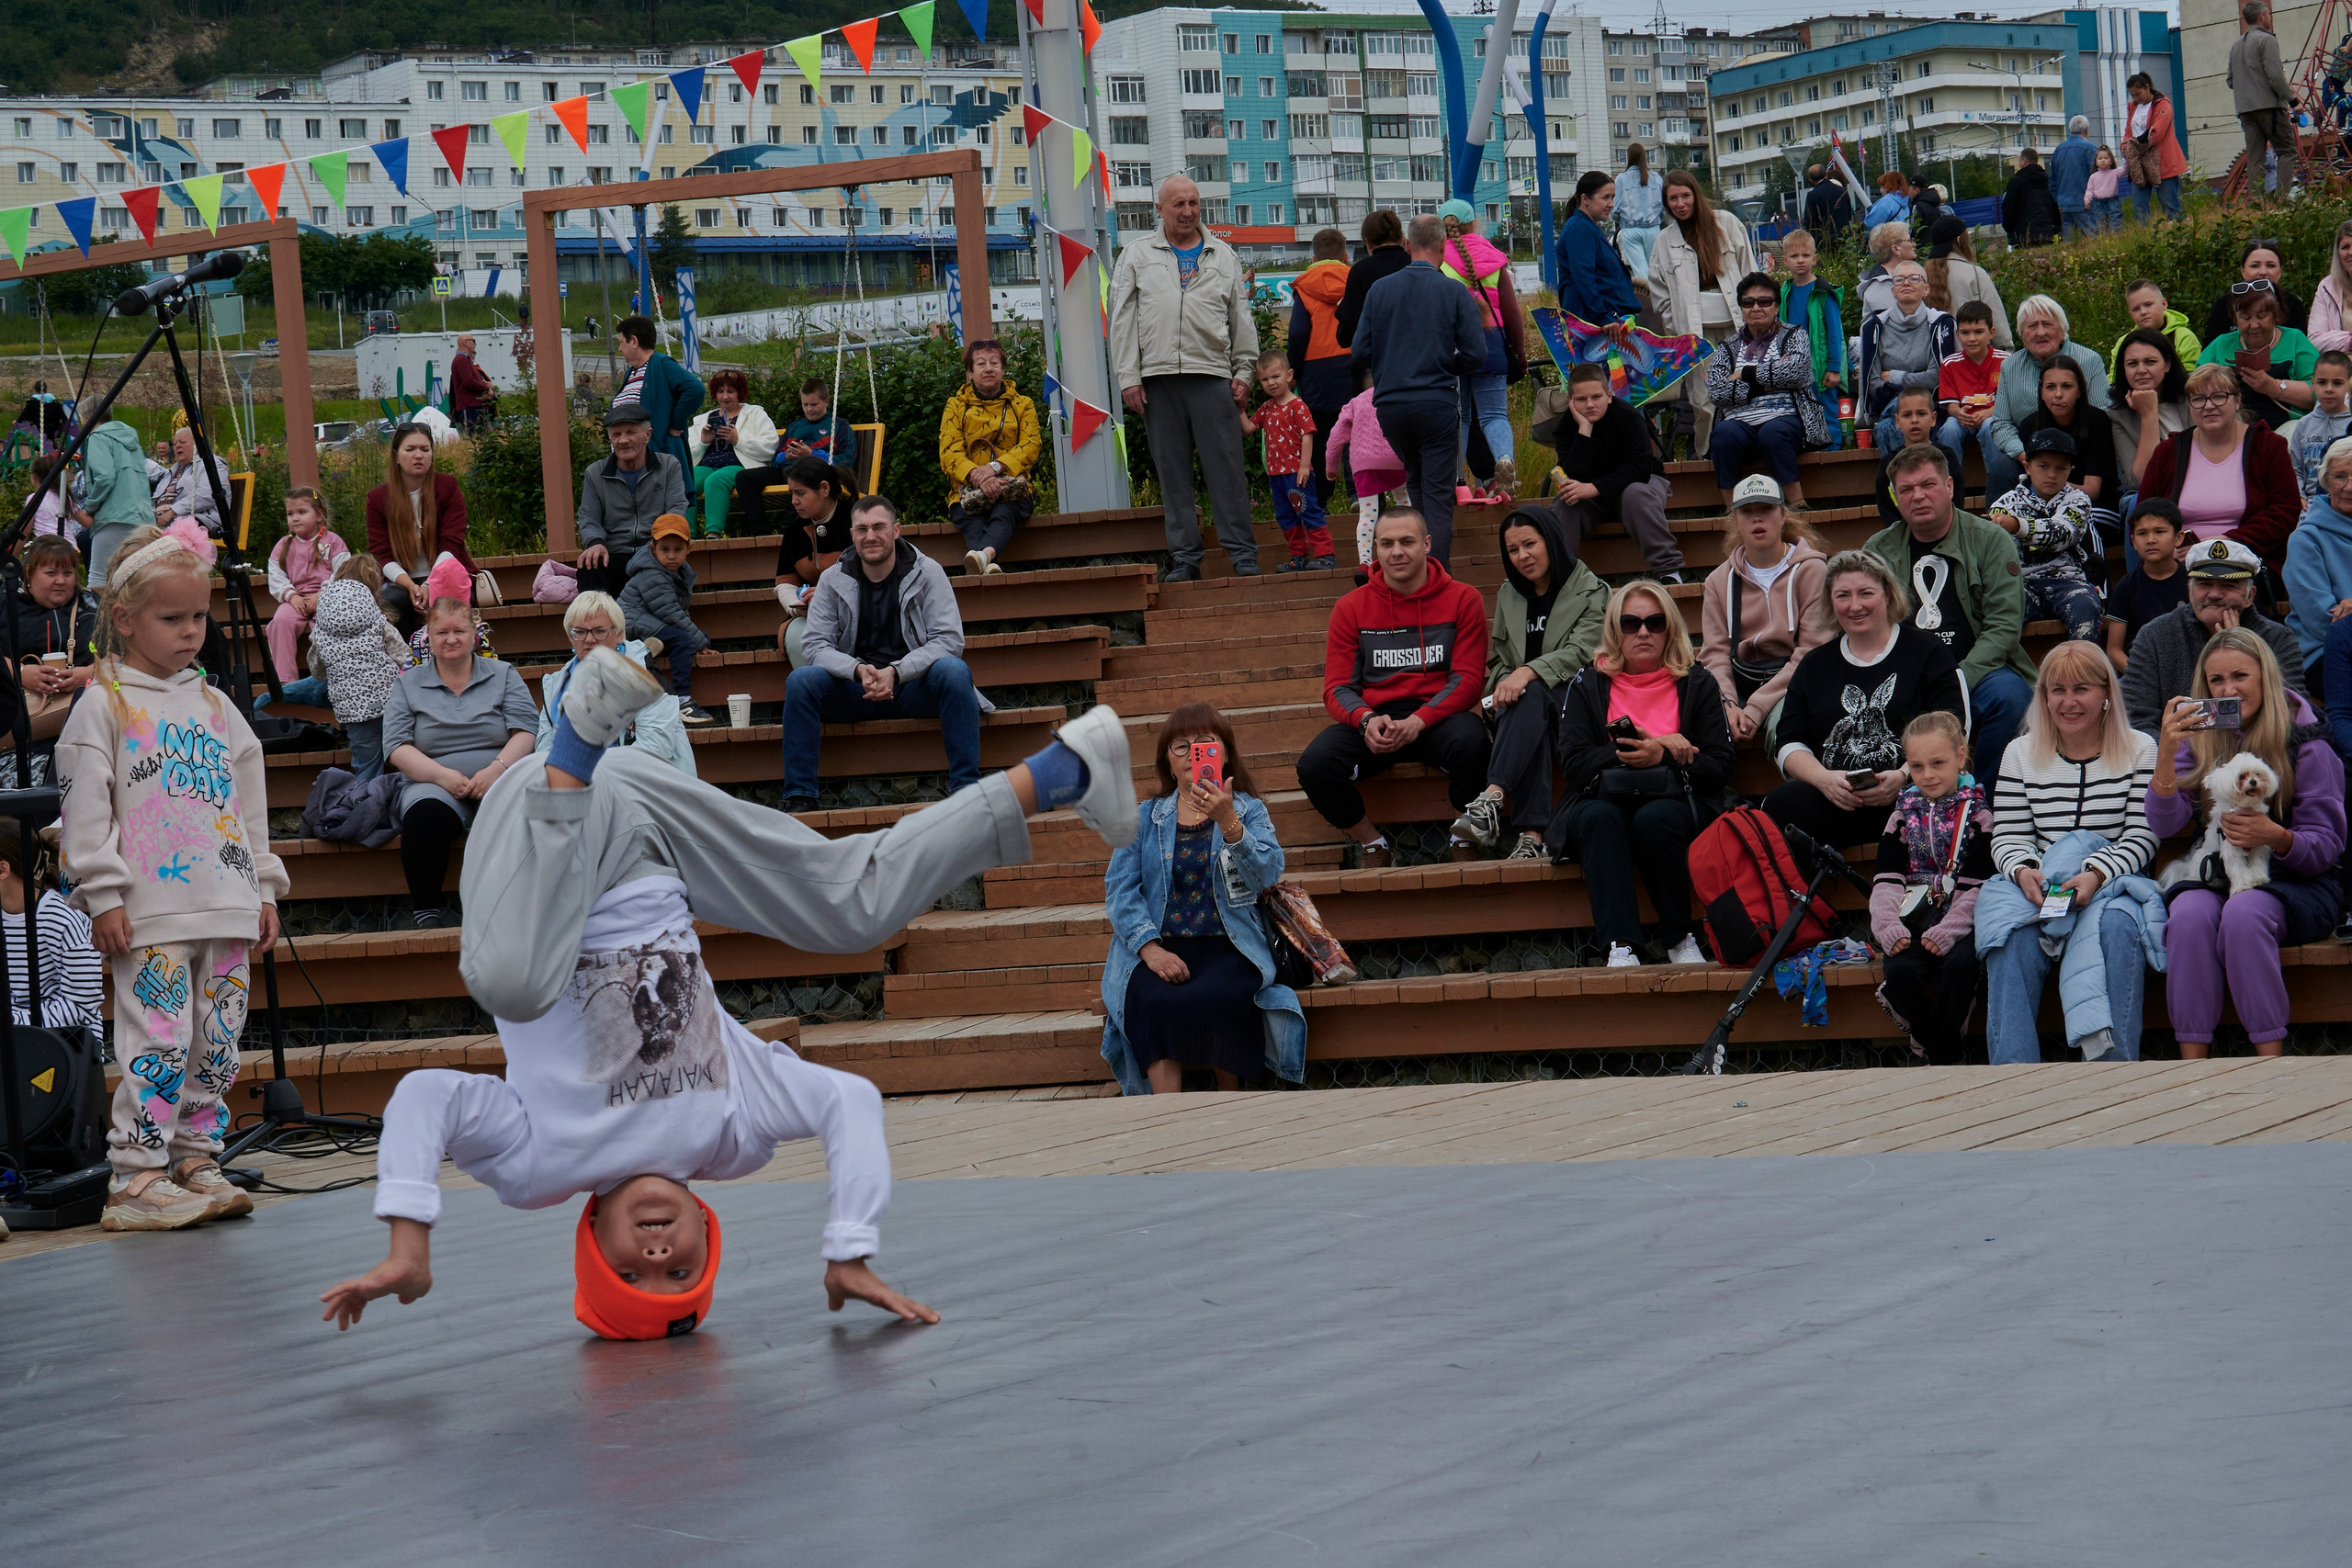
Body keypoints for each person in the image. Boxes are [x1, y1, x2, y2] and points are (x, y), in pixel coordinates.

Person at [319, 649, 1138, 1338]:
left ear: (591, 1240)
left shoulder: (538, 1167)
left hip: (534, 831)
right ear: (709, 1234)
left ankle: (574, 736)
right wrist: (849, 1244)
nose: (656, 1253)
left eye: (636, 1273)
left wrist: (409, 1235)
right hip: (647, 824)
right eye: (683, 1269)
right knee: (852, 906)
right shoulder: (730, 1134)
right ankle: (1066, 768)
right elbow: (847, 1102)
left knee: (510, 982)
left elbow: (426, 1096)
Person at [55, 530, 286, 1231]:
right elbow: (84, 805)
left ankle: (194, 1155)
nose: (191, 632)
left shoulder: (215, 706)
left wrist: (264, 887)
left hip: (225, 902)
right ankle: (136, 1174)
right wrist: (102, 892)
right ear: (124, 619)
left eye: (198, 617)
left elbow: (250, 800)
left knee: (216, 1040)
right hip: (150, 910)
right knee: (157, 1035)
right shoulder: (105, 704)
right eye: (172, 618)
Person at [2151, 629, 2343, 1057]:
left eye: (2240, 675)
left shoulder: (2307, 740)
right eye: (2216, 681)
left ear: (2266, 678)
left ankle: (2269, 1060)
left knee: (2244, 915)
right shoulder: (2203, 737)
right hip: (2220, 873)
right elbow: (2165, 825)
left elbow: (2327, 846)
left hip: (2300, 883)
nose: (2228, 689)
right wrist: (2166, 751)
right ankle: (2191, 1065)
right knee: (2188, 916)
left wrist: (2276, 836)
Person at [1101, 705, 1305, 1095]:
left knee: (1221, 996)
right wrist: (1150, 950)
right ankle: (1167, 1114)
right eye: (1181, 746)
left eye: (1205, 743)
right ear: (1168, 761)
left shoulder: (1248, 810)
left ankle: (1229, 1104)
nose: (1193, 753)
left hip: (1230, 944)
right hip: (1161, 945)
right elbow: (1120, 889)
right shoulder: (1143, 818)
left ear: (1224, 754)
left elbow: (1267, 875)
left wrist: (1229, 823)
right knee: (1150, 999)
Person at [1978, 641, 2160, 1065]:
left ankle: (2114, 1070)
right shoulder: (2019, 753)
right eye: (2056, 690)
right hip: (2042, 886)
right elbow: (2008, 835)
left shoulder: (2140, 749)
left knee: (2116, 928)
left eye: (2081, 688)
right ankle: (2013, 1076)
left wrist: (2095, 874)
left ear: (2106, 696)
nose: (2068, 701)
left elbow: (2141, 836)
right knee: (2009, 937)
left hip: (2111, 885)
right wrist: (2025, 872)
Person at [1551, 579, 1733, 968]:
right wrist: (1638, 750)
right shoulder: (1588, 683)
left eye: (1655, 622)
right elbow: (1575, 765)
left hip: (1677, 800)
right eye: (1631, 623)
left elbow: (1719, 766)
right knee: (1601, 819)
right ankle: (1621, 945)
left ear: (1671, 628)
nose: (1644, 631)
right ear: (1615, 631)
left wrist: (1662, 754)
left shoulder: (1698, 682)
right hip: (1601, 797)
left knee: (1655, 819)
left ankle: (1679, 938)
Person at [1297, 508, 1488, 868]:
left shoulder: (1464, 599)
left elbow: (1468, 679)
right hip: (1377, 721)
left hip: (1437, 718)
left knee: (1475, 742)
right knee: (1315, 765)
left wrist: (1419, 720)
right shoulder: (1350, 607)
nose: (1396, 552)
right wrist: (1366, 720)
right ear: (1375, 549)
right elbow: (1337, 688)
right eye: (1386, 543)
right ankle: (1373, 843)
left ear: (1427, 544)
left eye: (1406, 541)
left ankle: (1464, 835)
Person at [781, 496, 980, 814]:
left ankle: (967, 790)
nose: (870, 536)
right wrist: (858, 670)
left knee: (954, 671)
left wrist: (897, 671)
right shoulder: (832, 579)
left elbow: (949, 640)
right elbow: (815, 646)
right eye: (861, 529)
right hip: (854, 690)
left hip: (912, 687)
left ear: (896, 529)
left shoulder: (928, 572)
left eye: (878, 527)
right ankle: (800, 796)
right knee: (802, 680)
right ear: (851, 534)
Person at [1109, 174, 1261, 585]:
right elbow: (1120, 320)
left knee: (1227, 469)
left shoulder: (1223, 255)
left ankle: (1242, 554)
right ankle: (1185, 559)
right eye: (1178, 204)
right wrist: (1128, 376)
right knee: (1172, 474)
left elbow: (1240, 320)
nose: (1188, 211)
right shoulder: (1137, 254)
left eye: (1193, 203)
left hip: (1212, 375)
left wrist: (1244, 371)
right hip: (1156, 379)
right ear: (1159, 209)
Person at [1764, 549, 1966, 852]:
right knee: (1781, 806)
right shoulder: (1814, 665)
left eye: (1866, 593)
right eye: (1843, 595)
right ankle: (1807, 899)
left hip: (1914, 794)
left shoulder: (1927, 653)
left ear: (1887, 594)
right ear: (1831, 603)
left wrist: (1904, 775)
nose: (1855, 606)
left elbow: (1954, 725)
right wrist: (1824, 780)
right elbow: (1789, 742)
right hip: (1837, 799)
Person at [1866, 446, 2039, 781]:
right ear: (1896, 498)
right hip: (1908, 678)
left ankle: (1985, 807)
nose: (1918, 496)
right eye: (1906, 489)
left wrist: (1957, 679)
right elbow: (1870, 630)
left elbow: (2003, 628)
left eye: (1928, 485)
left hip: (1979, 671)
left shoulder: (1989, 540)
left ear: (1949, 487)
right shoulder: (1878, 551)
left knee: (2010, 698)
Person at [1449, 503, 1607, 862]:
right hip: (1524, 707)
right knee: (1529, 704)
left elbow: (1584, 651)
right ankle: (1532, 837)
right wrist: (1506, 683)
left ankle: (1492, 797)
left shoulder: (1591, 589)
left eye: (1530, 544)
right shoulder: (1510, 594)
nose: (1522, 556)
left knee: (1531, 694)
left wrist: (1527, 673)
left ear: (1551, 540)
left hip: (1576, 700)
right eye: (1513, 550)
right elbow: (1500, 659)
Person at [382, 576, 538, 929]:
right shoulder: (407, 684)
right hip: (433, 782)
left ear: (474, 633)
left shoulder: (503, 675)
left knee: (524, 814)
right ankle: (427, 912)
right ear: (429, 637)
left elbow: (526, 731)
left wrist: (495, 770)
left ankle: (517, 911)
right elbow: (395, 746)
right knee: (424, 820)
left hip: (500, 776)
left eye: (459, 631)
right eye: (442, 633)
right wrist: (442, 776)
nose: (451, 639)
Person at [1352, 214, 1486, 569]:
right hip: (1436, 404)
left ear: (1408, 246)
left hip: (1392, 407)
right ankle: (1436, 578)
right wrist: (1444, 364)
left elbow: (1359, 351)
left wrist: (1392, 365)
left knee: (1416, 483)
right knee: (1439, 496)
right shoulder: (1453, 291)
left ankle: (1412, 573)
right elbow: (1476, 354)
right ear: (1443, 247)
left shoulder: (1380, 289)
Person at [1871, 712, 1996, 1063]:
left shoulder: (1980, 816)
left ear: (1960, 757)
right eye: (1916, 766)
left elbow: (1977, 884)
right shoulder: (1901, 815)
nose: (1927, 775)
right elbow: (1886, 879)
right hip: (1912, 916)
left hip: (1961, 920)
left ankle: (1941, 1054)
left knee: (1960, 968)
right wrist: (1887, 926)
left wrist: (1950, 930)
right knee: (1900, 971)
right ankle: (1938, 1047)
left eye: (1938, 763)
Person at [2120, 536, 2305, 734]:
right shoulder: (2154, 637)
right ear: (2190, 591)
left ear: (2250, 595)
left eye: (2228, 585)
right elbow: (2136, 720)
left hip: (2257, 757)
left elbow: (2293, 713)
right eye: (2205, 584)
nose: (2215, 594)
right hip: (2175, 759)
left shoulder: (2278, 639)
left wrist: (2239, 648)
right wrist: (2183, 758)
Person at [1700, 475, 1831, 747]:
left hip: (1795, 682)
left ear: (1783, 514)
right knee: (1704, 726)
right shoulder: (1718, 581)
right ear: (1736, 520)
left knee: (1784, 727)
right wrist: (1729, 704)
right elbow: (1714, 654)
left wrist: (1757, 707)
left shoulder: (1813, 571)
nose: (1757, 519)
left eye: (1766, 509)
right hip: (1740, 681)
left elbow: (1811, 653)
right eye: (1747, 512)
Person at [2137, 364, 2301, 576]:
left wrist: (2229, 540)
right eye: (2198, 399)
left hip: (2245, 560)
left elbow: (2286, 511)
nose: (2209, 406)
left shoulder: (2268, 446)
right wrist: (2166, 548)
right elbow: (2143, 514)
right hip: (2177, 565)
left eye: (2219, 396)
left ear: (2237, 400)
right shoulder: (2167, 452)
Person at [1649, 171, 1757, 458]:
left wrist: (1755, 312)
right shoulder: (1664, 241)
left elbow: (1749, 270)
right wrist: (1677, 325)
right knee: (1703, 398)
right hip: (1695, 334)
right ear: (1666, 202)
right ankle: (1709, 455)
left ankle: (1748, 450)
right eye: (1673, 198)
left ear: (1696, 195)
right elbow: (1659, 293)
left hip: (1737, 326)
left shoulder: (1726, 223)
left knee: (1744, 386)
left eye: (1686, 196)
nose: (1681, 203)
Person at [535, 590, 695, 778]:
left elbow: (653, 751)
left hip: (641, 787)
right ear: (570, 637)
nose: (589, 639)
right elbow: (544, 754)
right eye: (579, 631)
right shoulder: (555, 686)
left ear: (619, 634)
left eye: (600, 631)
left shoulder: (644, 673)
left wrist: (590, 778)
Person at [1549, 363, 1687, 578]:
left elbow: (1639, 469)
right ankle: (1559, 577)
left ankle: (1668, 571)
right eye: (1581, 400)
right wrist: (1584, 432)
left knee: (1635, 493)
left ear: (1609, 395)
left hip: (1640, 485)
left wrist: (1594, 488)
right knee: (1564, 503)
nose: (1590, 405)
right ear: (1571, 402)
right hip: (1595, 499)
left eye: (1596, 397)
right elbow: (1572, 476)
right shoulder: (1566, 427)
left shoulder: (1628, 417)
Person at [1703, 274, 1826, 512]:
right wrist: (1767, 382)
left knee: (1773, 432)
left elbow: (1796, 372)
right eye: (1748, 302)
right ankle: (1732, 509)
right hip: (1739, 425)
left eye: (1764, 301)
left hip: (1786, 420)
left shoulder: (1793, 335)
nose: (1756, 308)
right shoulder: (1728, 347)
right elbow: (1717, 391)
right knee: (1723, 434)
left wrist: (1743, 373)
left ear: (1777, 306)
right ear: (1741, 308)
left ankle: (1798, 504)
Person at [1984, 295, 2111, 507]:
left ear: (2062, 330)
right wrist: (2028, 458)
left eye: (2048, 325)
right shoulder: (2010, 366)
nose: (2040, 332)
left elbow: (2101, 415)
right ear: (2022, 334)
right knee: (2000, 466)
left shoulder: (2089, 360)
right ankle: (1996, 529)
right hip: (2027, 454)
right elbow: (2001, 423)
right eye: (2032, 326)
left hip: (2080, 456)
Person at [1438, 200, 1527, 497]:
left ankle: (1454, 479)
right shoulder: (1494, 256)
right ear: (1474, 223)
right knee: (1494, 415)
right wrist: (1520, 354)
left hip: (1454, 348)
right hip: (1492, 344)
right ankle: (1504, 460)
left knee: (1459, 416)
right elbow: (1512, 313)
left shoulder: (1440, 260)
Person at [937, 338, 1041, 577]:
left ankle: (980, 558)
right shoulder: (955, 406)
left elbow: (1031, 445)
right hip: (968, 491)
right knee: (973, 520)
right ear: (970, 372)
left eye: (995, 362)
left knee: (1004, 514)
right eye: (981, 364)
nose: (989, 368)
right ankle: (989, 562)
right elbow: (948, 451)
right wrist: (978, 476)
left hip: (1012, 489)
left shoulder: (1022, 404)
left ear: (1003, 369)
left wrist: (994, 469)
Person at [1990, 429, 2105, 644]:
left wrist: (2018, 526)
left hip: (2069, 582)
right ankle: (2011, 670)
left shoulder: (2078, 500)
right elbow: (1996, 550)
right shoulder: (2005, 504)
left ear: (2071, 470)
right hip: (2021, 584)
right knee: (1998, 606)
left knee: (2086, 605)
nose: (2052, 474)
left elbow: (2062, 533)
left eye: (2060, 468)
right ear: (2027, 467)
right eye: (2043, 466)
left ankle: (2085, 672)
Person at [303, 555, 409, 784]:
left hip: (354, 712)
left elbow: (317, 672)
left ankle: (368, 809)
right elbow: (404, 657)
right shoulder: (377, 621)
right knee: (407, 759)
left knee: (367, 768)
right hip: (391, 702)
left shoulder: (321, 629)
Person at [367, 421, 475, 636]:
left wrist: (428, 584)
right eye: (411, 449)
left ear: (432, 456)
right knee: (391, 600)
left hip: (445, 574)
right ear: (396, 456)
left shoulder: (448, 487)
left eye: (425, 450)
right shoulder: (378, 498)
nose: (419, 455)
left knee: (448, 595)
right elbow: (382, 554)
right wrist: (411, 587)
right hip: (402, 580)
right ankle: (408, 661)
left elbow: (452, 545)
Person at [576, 399, 687, 601]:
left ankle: (661, 630)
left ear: (647, 435)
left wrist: (658, 546)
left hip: (655, 551)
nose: (623, 440)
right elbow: (589, 518)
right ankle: (595, 627)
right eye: (616, 434)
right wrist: (595, 543)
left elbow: (676, 511)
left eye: (630, 432)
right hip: (614, 553)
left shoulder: (669, 466)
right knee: (590, 566)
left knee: (666, 568)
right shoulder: (595, 473)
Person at [2, 534, 96, 768]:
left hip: (87, 727)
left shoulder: (91, 605)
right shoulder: (8, 603)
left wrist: (88, 674)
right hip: (22, 731)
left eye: (67, 573)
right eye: (51, 573)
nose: (61, 581)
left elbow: (121, 654)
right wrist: (20, 672)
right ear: (29, 575)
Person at [0, 815, 100, 1034]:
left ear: (3, 870)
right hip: (15, 1039)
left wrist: (11, 1021)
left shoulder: (60, 919)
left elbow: (81, 1006)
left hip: (64, 1045)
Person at [617, 513, 718, 728]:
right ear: (653, 549)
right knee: (686, 640)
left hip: (652, 621)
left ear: (688, 549)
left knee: (695, 639)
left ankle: (646, 649)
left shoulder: (679, 572)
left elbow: (678, 612)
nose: (671, 556)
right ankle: (682, 699)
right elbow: (671, 613)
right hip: (632, 623)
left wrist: (700, 641)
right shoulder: (651, 574)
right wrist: (697, 641)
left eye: (678, 550)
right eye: (665, 549)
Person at [1241, 350, 1333, 572]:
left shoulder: (1298, 406)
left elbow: (1308, 435)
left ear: (1289, 375)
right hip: (1276, 476)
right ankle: (1298, 556)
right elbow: (1248, 429)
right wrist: (1239, 408)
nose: (1270, 383)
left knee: (1308, 510)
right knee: (1285, 516)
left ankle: (1325, 555)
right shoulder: (1266, 408)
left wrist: (1304, 466)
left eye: (1276, 376)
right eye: (1264, 379)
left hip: (1297, 473)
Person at [1285, 228, 1355, 508]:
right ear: (1346, 256)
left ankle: (1320, 500)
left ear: (1312, 257)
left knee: (1319, 433)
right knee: (1355, 429)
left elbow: (1298, 333)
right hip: (1352, 363)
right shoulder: (1355, 281)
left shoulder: (1304, 286)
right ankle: (1357, 493)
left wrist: (1294, 371)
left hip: (1316, 372)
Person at [2016, 355, 2121, 536]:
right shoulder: (2029, 426)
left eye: (2066, 386)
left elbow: (2093, 491)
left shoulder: (2097, 421)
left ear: (2079, 390)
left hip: (2096, 506)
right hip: (2048, 506)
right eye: (2050, 387)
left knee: (2074, 521)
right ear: (2041, 392)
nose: (2058, 394)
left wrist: (2050, 485)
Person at [1860, 260, 1958, 448]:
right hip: (1890, 407)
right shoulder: (1874, 327)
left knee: (1892, 426)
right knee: (1889, 425)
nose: (1906, 283)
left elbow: (1936, 378)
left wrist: (1895, 376)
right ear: (1893, 290)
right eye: (1899, 280)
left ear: (1926, 289)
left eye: (1914, 278)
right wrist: (1913, 383)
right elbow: (1873, 383)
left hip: (1931, 409)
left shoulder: (1940, 324)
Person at [2199, 280, 2318, 433]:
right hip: (2231, 428)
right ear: (2235, 318)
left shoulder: (2294, 340)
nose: (2254, 325)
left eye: (2262, 316)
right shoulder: (2221, 344)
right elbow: (2196, 388)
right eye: (2245, 318)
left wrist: (2272, 387)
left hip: (2285, 427)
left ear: (2276, 314)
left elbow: (2320, 390)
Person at [2284, 436, 2352, 690]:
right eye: (2340, 476)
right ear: (2326, 481)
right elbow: (2323, 620)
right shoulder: (2306, 539)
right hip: (2324, 653)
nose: (2349, 487)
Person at [265, 487, 350, 684]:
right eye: (290, 514)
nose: (295, 518)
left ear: (319, 515)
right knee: (281, 622)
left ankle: (332, 676)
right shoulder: (284, 545)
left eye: (302, 512)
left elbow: (343, 571)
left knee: (331, 622)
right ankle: (285, 679)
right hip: (296, 599)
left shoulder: (333, 542)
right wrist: (291, 596)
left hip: (326, 598)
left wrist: (323, 594)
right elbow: (276, 575)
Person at [1773, 227, 1846, 446]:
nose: (1800, 261)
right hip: (1795, 365)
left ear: (1815, 259)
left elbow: (1835, 333)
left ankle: (1834, 453)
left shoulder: (1823, 291)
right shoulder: (1784, 292)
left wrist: (1834, 368)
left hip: (1821, 366)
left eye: (1805, 256)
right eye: (1794, 256)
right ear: (1785, 260)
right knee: (1799, 410)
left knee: (1827, 410)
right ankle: (1810, 451)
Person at [686, 369, 777, 542]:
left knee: (716, 480)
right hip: (707, 465)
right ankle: (686, 535)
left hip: (740, 466)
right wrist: (703, 442)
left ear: (739, 393)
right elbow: (687, 455)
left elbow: (769, 447)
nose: (725, 397)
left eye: (730, 391)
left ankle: (713, 534)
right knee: (687, 479)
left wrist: (738, 440)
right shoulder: (703, 419)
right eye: (721, 392)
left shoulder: (755, 414)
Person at [611, 314, 702, 479]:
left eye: (621, 342)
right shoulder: (632, 371)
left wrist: (674, 422)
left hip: (657, 455)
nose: (619, 348)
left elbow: (695, 389)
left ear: (634, 341)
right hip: (631, 461)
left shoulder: (661, 364)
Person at [2105, 499, 2191, 672]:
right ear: (2133, 541)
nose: (2150, 540)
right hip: (2142, 670)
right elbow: (2114, 650)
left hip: (2188, 668)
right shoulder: (2127, 586)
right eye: (2142, 533)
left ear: (2178, 537)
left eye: (2159, 532)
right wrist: (2140, 676)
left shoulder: (2192, 582)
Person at [1327, 380, 1405, 570]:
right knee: (1405, 502)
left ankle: (1365, 561)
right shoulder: (1398, 395)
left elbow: (1337, 435)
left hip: (1364, 465)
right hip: (1396, 459)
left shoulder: (1355, 402)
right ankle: (1412, 546)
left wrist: (1332, 465)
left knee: (1368, 515)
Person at [2230, 2, 2301, 205]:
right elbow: (2275, 77)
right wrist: (2293, 100)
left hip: (2245, 110)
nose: (2270, 17)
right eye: (2268, 14)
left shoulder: (2236, 46)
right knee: (2287, 150)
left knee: (2255, 157)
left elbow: (2230, 80)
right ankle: (2282, 199)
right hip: (2269, 107)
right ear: (2262, 16)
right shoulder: (2266, 40)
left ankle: (2257, 203)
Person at [1554, 173, 1642, 338]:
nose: (1611, 204)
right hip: (1596, 323)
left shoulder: (1587, 227)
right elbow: (1584, 278)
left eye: (1613, 197)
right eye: (1606, 198)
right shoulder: (1580, 228)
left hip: (1604, 320)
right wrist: (1603, 316)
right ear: (1585, 199)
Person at [2109, 326, 2193, 491]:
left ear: (2167, 364)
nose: (2141, 370)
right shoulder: (2118, 415)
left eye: (2150, 362)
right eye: (2132, 364)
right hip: (2162, 495)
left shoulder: (2194, 392)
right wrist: (2148, 414)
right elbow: (2140, 481)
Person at [1939, 300, 2010, 498]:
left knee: (1990, 426)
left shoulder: (2005, 361)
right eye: (1965, 332)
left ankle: (1999, 492)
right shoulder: (1950, 364)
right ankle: (1948, 490)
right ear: (1957, 334)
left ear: (1991, 332)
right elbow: (1950, 404)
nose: (1971, 338)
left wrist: (1988, 412)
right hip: (1962, 419)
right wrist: (1958, 412)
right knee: (1949, 428)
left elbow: (2010, 402)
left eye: (1978, 332)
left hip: (1992, 416)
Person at [81, 419, 153, 592]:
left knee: (99, 579)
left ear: (85, 418)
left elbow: (105, 478)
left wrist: (89, 507)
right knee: (136, 581)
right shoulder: (130, 440)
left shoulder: (97, 437)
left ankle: (95, 618)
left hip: (113, 516)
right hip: (141, 516)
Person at [1923, 214, 2012, 349]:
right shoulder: (1975, 274)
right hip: (1972, 360)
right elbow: (1997, 322)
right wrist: (2007, 351)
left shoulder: (1921, 276)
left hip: (1935, 362)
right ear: (1960, 240)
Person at [2201, 239, 2308, 344]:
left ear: (2280, 271)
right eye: (2255, 266)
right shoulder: (2224, 304)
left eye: (2270, 265)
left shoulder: (2293, 305)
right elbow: (2209, 349)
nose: (2263, 272)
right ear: (2243, 271)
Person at [1877, 387, 1958, 524]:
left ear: (1933, 419)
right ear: (1897, 421)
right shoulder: (1889, 462)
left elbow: (1956, 498)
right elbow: (1886, 507)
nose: (1914, 420)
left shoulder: (1947, 455)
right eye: (1907, 415)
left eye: (1921, 414)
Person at [1337, 208, 1411, 350]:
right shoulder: (1416, 264)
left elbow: (1348, 332)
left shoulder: (1360, 271)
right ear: (1402, 238)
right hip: (1421, 357)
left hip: (1379, 359)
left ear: (1366, 241)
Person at [2120, 72, 2188, 221]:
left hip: (2162, 162)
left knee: (2170, 204)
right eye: (2133, 96)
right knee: (2139, 206)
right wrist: (2124, 145)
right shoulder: (2132, 107)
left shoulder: (2162, 104)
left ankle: (2178, 234)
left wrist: (2133, 147)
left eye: (2138, 94)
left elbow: (2157, 133)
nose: (2136, 99)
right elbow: (2128, 130)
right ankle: (2145, 238)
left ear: (2147, 87)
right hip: (2138, 165)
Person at [151, 425, 231, 540]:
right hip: (165, 523)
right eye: (175, 443)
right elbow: (156, 498)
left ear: (197, 445)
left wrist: (173, 511)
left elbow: (208, 493)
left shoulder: (211, 464)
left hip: (200, 522)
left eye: (182, 442)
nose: (177, 445)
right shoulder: (173, 471)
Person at [2109, 279, 2202, 378]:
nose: (2143, 312)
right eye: (2136, 309)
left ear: (2164, 304)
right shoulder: (2123, 342)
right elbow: (2113, 380)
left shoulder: (2184, 337)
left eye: (2148, 305)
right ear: (2131, 314)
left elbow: (2193, 378)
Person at [782, 378, 858, 471]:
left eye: (813, 404)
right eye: (805, 404)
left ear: (826, 401)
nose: (809, 409)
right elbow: (774, 460)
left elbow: (847, 460)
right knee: (759, 475)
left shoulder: (839, 426)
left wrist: (811, 455)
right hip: (791, 473)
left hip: (821, 474)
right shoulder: (793, 427)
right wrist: (785, 457)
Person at [1613, 143, 1666, 277]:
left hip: (1630, 229)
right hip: (1653, 228)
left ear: (1628, 157)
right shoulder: (1656, 178)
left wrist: (1622, 222)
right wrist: (1659, 220)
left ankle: (1644, 297)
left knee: (1640, 271)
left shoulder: (1621, 179)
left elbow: (1615, 209)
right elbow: (1663, 207)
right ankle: (1657, 297)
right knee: (1654, 269)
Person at [1854, 220, 1916, 324]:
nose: (1914, 244)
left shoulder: (1901, 276)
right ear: (1895, 249)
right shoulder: (1879, 285)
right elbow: (1896, 323)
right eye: (1909, 240)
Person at [2305, 218, 2352, 352]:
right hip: (2340, 368)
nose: (2350, 252)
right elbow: (2314, 341)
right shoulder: (2327, 287)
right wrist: (2349, 341)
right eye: (2345, 247)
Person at [2000, 147, 2059, 249]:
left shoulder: (2016, 181)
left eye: (2019, 160)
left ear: (2024, 161)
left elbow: (2008, 207)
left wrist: (2008, 228)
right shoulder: (2048, 180)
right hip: (2047, 233)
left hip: (2022, 235)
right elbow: (2055, 204)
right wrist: (2057, 227)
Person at [2051, 118, 2098, 240]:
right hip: (2085, 204)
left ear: (2070, 129)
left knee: (2070, 245)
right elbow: (2097, 177)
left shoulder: (2059, 150)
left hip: (2064, 205)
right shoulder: (2090, 149)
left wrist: (2059, 200)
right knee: (2092, 241)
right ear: (2086, 130)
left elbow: (2052, 181)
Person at [448, 334, 495, 434]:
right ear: (466, 343)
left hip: (475, 405)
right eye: (474, 341)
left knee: (482, 436)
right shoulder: (461, 360)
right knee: (474, 436)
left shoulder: (464, 360)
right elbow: (468, 382)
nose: (475, 345)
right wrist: (486, 387)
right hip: (469, 406)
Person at [1801, 163, 1855, 247]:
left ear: (1811, 180)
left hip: (1824, 241)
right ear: (1826, 174)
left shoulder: (1813, 195)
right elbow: (1849, 213)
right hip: (1845, 239)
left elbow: (1809, 221)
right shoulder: (1842, 190)